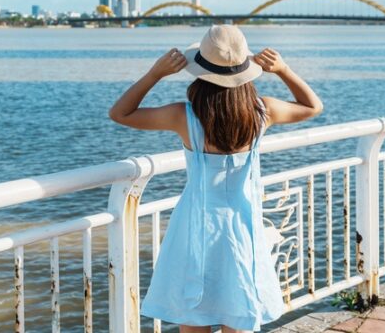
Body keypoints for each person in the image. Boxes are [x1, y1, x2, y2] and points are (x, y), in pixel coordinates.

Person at [109, 24, 324, 333]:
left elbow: (121, 113)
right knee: (239, 314)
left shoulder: (185, 117)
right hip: (242, 229)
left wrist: (155, 73)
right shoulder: (262, 112)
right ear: (246, 71)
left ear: (201, 72)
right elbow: (313, 106)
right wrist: (284, 70)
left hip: (195, 228)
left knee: (195, 315)